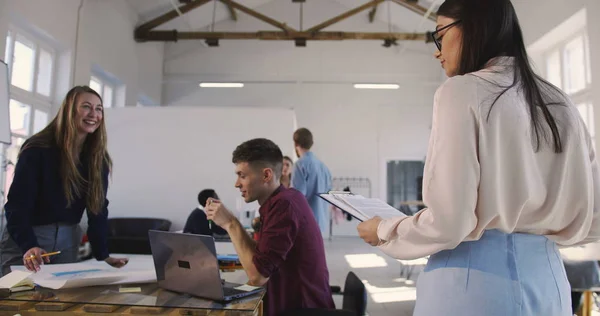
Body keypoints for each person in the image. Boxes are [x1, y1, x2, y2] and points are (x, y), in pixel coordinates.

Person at [356, 0, 600, 315]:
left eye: (440, 34)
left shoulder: (461, 91)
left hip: (474, 285)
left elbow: (449, 221)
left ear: (471, 28)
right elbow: (594, 217)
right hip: (550, 282)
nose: (437, 50)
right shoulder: (561, 103)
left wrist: (385, 230)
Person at [0, 86, 128, 276]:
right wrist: (29, 245)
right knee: (16, 300)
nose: (94, 114)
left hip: (68, 240)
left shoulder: (98, 159)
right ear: (69, 110)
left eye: (99, 108)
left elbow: (98, 209)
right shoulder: (38, 149)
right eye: (86, 107)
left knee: (59, 300)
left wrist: (103, 255)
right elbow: (17, 204)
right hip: (27, 238)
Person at [204, 138, 334, 315]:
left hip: (301, 310)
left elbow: (257, 276)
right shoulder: (284, 199)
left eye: (242, 176)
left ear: (266, 175)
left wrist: (230, 223)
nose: (237, 183)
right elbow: (263, 258)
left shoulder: (284, 206)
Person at [291, 128, 332, 236]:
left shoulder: (300, 165)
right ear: (311, 143)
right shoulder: (324, 167)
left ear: (295, 143)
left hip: (306, 225)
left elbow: (297, 198)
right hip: (321, 224)